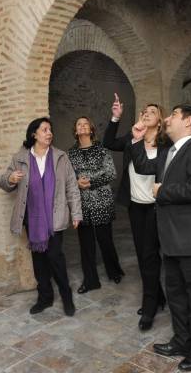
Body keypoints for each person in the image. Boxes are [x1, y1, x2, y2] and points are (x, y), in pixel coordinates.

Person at [130, 104, 191, 371]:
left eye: (173, 115)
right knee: (177, 295)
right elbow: (144, 165)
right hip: (171, 239)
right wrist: (137, 138)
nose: (167, 119)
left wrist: (163, 191)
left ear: (188, 121)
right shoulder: (169, 151)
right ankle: (182, 340)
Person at [0, 117, 82, 316]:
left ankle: (66, 297)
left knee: (55, 257)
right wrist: (10, 179)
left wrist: (76, 212)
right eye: (45, 129)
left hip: (55, 216)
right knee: (38, 260)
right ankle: (44, 298)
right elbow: (3, 182)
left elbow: (71, 186)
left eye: (50, 129)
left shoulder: (60, 157)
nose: (49, 133)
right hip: (32, 218)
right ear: (34, 134)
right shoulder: (20, 158)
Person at [103, 94, 167, 331]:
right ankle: (156, 298)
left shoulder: (166, 146)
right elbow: (108, 142)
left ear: (160, 121)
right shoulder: (132, 139)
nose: (147, 112)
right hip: (136, 207)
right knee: (144, 255)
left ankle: (151, 303)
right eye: (145, 110)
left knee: (152, 255)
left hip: (157, 208)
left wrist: (138, 140)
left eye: (153, 110)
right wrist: (115, 117)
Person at [67, 116, 124, 294]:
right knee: (86, 244)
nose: (82, 126)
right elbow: (69, 177)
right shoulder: (71, 153)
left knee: (105, 241)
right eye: (79, 124)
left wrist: (89, 181)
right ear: (76, 131)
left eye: (86, 124)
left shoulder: (102, 149)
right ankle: (91, 280)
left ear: (91, 130)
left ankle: (114, 271)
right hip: (82, 203)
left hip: (102, 201)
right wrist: (76, 182)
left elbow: (111, 173)